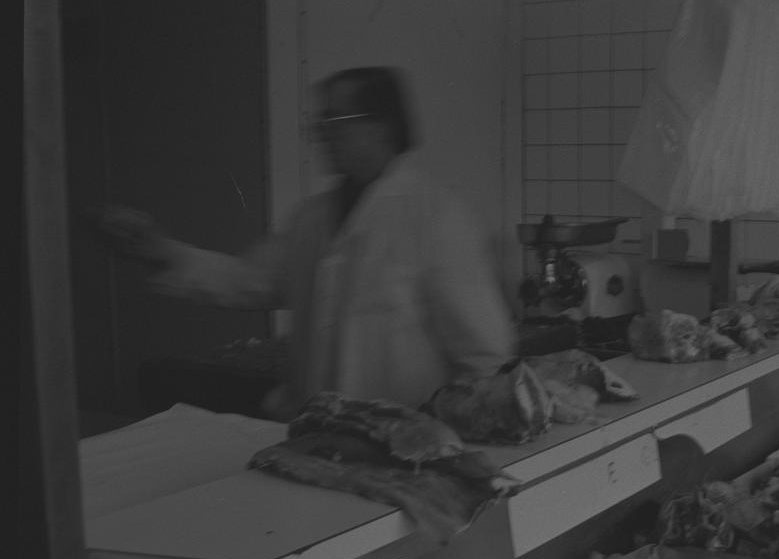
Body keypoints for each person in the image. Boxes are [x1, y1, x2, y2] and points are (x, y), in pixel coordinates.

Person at [94, 66, 515, 420]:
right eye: (320, 124)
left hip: (402, 451)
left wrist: (440, 440)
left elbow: (484, 357)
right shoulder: (312, 219)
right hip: (314, 434)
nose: (322, 135)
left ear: (382, 127)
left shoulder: (439, 218)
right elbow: (248, 279)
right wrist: (159, 249)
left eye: (336, 121)